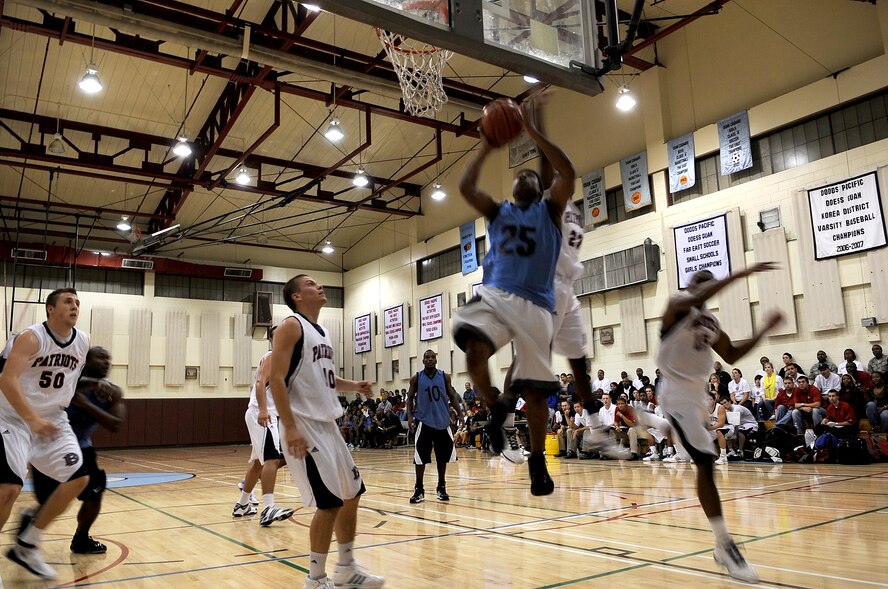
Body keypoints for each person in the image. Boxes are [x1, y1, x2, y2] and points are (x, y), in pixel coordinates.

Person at [452, 100, 575, 496]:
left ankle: (537, 461)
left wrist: (535, 133)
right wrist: (486, 146)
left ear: (539, 189)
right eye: (518, 175)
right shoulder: (498, 211)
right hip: (495, 295)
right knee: (472, 347)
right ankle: (495, 408)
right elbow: (465, 188)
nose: (524, 177)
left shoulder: (550, 211)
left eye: (531, 176)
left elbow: (566, 172)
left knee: (536, 391)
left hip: (536, 305)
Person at [656, 264, 782, 583]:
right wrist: (739, 275)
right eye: (698, 282)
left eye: (707, 282)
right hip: (675, 392)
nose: (703, 286)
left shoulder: (711, 321)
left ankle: (721, 544)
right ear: (690, 286)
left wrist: (763, 329)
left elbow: (732, 354)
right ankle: (725, 545)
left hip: (698, 396)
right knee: (704, 461)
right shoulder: (677, 303)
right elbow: (696, 295)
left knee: (706, 462)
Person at [269, 275, 383, 589]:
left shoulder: (323, 332)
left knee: (352, 493)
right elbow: (276, 379)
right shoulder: (291, 326)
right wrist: (290, 427)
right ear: (296, 296)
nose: (319, 286)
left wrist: (354, 385)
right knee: (329, 502)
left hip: (328, 424)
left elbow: (325, 379)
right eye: (310, 284)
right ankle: (316, 579)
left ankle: (346, 567)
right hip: (304, 424)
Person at [0, 288, 91, 580]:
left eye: (77, 302)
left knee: (78, 479)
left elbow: (65, 381)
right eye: (68, 301)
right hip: (13, 418)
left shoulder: (83, 341)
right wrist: (32, 418)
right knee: (8, 490)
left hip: (53, 419)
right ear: (50, 309)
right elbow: (7, 379)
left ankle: (27, 544)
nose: (75, 306)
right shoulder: (31, 337)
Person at [25, 346, 124, 555]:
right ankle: (30, 523)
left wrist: (86, 404)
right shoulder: (66, 381)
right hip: (50, 448)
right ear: (85, 361)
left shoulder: (112, 392)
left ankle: (81, 538)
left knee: (94, 495)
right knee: (48, 502)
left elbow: (115, 424)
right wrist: (90, 387)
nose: (106, 362)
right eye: (101, 357)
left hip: (83, 448)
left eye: (109, 359)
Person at [233, 326, 295, 526]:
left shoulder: (285, 361)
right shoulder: (271, 357)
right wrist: (262, 410)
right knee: (272, 459)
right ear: (271, 340)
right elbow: (260, 383)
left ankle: (243, 504)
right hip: (262, 414)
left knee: (259, 464)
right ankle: (269, 507)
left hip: (266, 414)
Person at [407, 349, 463, 503]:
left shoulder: (444, 376)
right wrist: (410, 417)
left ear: (436, 360)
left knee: (442, 457)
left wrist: (460, 414)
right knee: (420, 458)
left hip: (442, 421)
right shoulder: (416, 378)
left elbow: (452, 396)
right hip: (424, 421)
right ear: (423, 360)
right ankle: (419, 489)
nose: (430, 359)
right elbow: (410, 398)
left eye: (433, 357)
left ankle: (441, 487)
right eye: (427, 357)